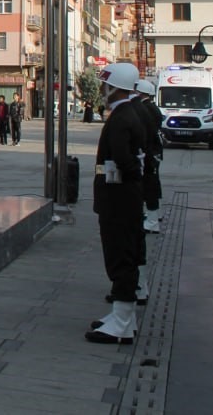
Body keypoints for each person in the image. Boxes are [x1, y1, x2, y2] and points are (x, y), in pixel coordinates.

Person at [86, 62, 144, 344]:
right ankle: (124, 317)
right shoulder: (127, 113)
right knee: (124, 253)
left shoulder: (122, 117)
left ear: (114, 88)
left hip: (118, 198)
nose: (101, 91)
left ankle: (121, 323)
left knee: (120, 255)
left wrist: (130, 177)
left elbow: (124, 159)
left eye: (104, 86)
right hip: (123, 196)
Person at [134, 79, 164, 236]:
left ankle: (152, 222)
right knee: (153, 183)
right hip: (154, 152)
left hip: (149, 152)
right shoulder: (152, 108)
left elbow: (146, 132)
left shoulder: (145, 109)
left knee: (149, 185)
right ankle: (156, 214)